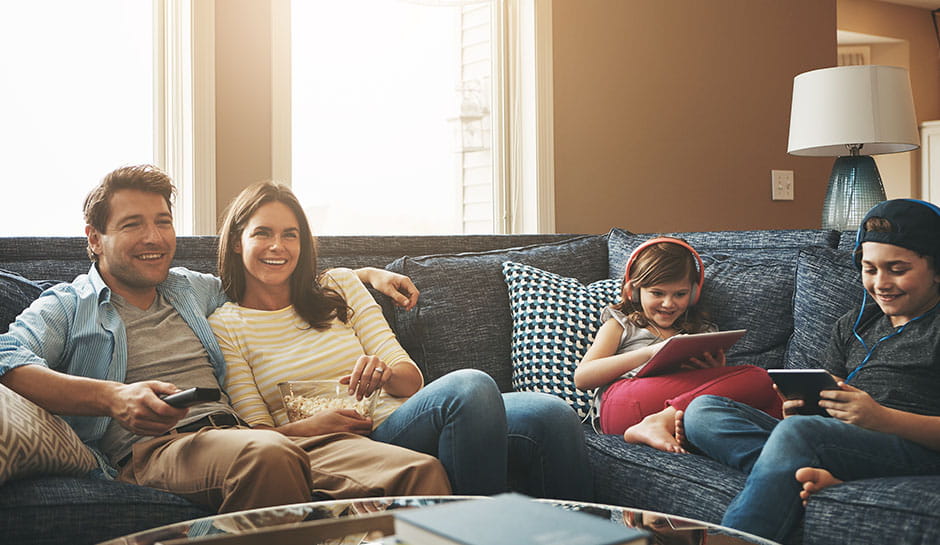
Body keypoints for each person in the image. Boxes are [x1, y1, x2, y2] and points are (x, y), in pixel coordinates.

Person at [0, 165, 451, 514]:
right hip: (155, 451)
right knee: (267, 453)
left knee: (419, 472)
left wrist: (363, 275)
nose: (154, 238)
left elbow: (270, 271)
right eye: (133, 224)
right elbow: (5, 357)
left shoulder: (189, 289)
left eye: (162, 221)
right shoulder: (67, 305)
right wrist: (113, 398)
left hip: (238, 438)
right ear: (94, 239)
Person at [209, 180, 593, 500]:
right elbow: (254, 435)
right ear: (238, 242)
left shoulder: (339, 285)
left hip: (401, 420)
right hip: (341, 446)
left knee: (551, 415)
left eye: (289, 235)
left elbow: (412, 381)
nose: (278, 246)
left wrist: (385, 373)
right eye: (263, 233)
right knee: (471, 386)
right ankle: (479, 534)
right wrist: (312, 427)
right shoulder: (227, 325)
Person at [680, 199, 940, 543]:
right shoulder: (853, 324)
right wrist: (802, 408)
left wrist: (880, 418)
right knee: (703, 411)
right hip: (841, 440)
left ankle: (737, 536)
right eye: (869, 268)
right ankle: (806, 468)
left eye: (897, 269)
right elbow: (831, 395)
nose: (880, 283)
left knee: (800, 436)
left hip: (913, 448)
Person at [574, 237, 781, 453]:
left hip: (677, 410)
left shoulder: (701, 332)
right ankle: (657, 423)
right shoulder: (621, 325)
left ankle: (671, 427)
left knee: (771, 397)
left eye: (680, 294)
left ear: (693, 294)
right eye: (657, 293)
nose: (668, 303)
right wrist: (650, 352)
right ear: (633, 291)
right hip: (622, 403)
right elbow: (583, 378)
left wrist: (712, 372)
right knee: (758, 376)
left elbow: (710, 393)